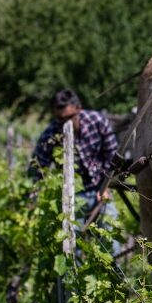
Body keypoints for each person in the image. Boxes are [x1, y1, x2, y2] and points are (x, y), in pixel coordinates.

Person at [31, 88, 120, 225]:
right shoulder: (49, 136)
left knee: (110, 226)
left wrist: (106, 186)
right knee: (73, 236)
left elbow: (112, 156)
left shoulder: (97, 122)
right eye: (60, 119)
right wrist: (34, 198)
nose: (66, 124)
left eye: (69, 117)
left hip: (100, 187)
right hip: (71, 196)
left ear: (79, 109)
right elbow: (37, 168)